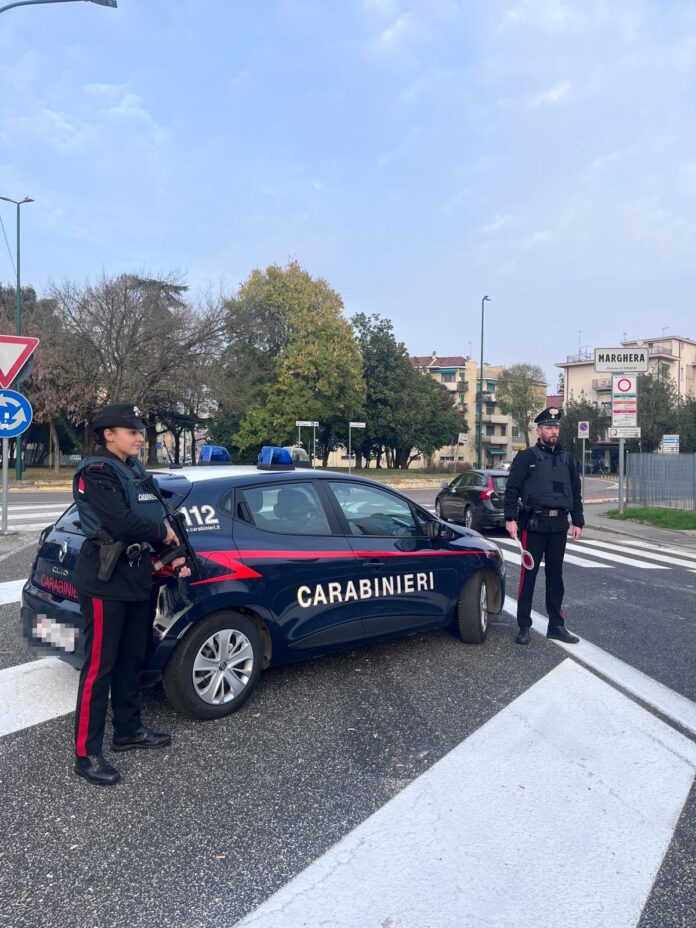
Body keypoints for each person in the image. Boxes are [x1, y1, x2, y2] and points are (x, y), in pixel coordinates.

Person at [72, 403, 191, 785]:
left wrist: (174, 557)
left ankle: (128, 730)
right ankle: (86, 754)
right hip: (106, 578)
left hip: (138, 575)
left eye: (140, 430)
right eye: (132, 431)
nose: (140, 437)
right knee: (98, 668)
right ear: (109, 434)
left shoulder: (136, 470)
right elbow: (120, 522)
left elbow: (156, 516)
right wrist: (162, 536)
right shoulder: (95, 472)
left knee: (130, 660)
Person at [503, 406, 584, 646]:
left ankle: (556, 626)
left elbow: (575, 493)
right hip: (534, 525)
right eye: (548, 427)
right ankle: (524, 626)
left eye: (556, 427)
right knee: (528, 577)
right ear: (539, 431)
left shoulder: (567, 459)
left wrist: (577, 521)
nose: (553, 431)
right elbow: (512, 489)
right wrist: (510, 518)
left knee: (555, 578)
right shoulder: (526, 457)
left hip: (559, 525)